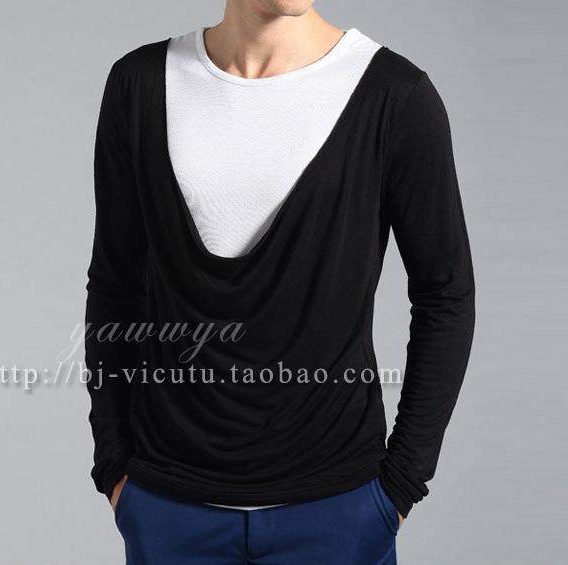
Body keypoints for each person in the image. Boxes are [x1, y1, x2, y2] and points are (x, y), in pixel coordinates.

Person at [84, 1, 475, 563]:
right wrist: (114, 464)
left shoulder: (395, 94)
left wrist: (401, 485)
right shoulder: (140, 83)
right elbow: (114, 281)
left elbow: (446, 294)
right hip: (168, 508)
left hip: (340, 511)